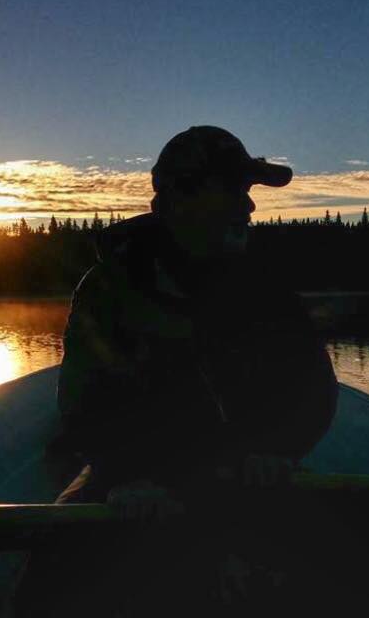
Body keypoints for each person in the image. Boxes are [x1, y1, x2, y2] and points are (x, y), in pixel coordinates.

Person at [33, 126, 338, 614]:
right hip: (137, 472)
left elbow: (312, 385)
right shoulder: (109, 287)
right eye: (234, 191)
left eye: (248, 191)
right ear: (180, 198)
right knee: (55, 565)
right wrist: (123, 475)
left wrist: (278, 449)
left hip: (244, 468)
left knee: (331, 556)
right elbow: (83, 400)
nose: (248, 206)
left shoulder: (265, 284)